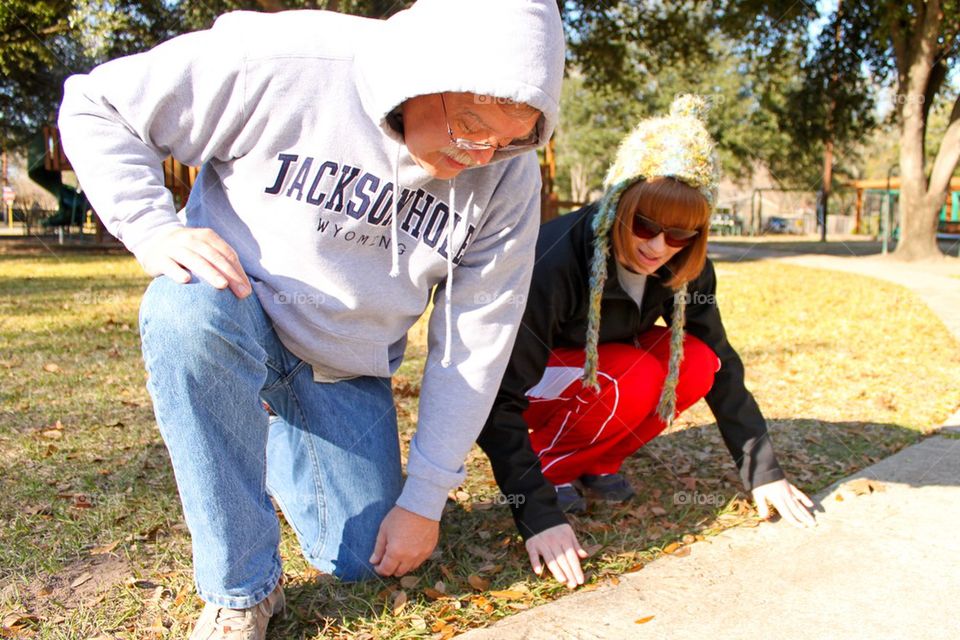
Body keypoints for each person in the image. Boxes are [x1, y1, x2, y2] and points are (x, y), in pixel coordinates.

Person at [57, 1, 564, 637]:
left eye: (511, 139)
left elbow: (474, 342)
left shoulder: (505, 173)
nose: (480, 154)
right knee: (184, 311)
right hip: (233, 314)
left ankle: (261, 427)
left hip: (341, 366)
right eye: (469, 126)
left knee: (358, 561)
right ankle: (241, 589)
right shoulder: (286, 59)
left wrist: (425, 498)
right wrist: (150, 228)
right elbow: (97, 103)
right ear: (424, 72)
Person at [479, 96, 816, 590]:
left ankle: (595, 461)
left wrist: (763, 471)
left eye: (679, 233)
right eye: (645, 224)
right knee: (634, 373)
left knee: (699, 364)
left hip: (600, 378)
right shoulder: (556, 258)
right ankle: (552, 460)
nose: (657, 246)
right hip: (531, 385)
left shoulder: (684, 266)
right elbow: (498, 394)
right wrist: (535, 511)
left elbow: (720, 360)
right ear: (619, 203)